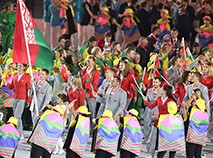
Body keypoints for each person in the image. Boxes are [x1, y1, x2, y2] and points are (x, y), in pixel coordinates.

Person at [5, 63, 31, 137]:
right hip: (14, 97)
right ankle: (15, 131)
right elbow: (11, 86)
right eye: (18, 65)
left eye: (20, 66)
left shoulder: (27, 77)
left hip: (22, 98)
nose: (18, 67)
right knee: (15, 114)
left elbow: (28, 89)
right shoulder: (15, 75)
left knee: (17, 115)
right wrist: (5, 82)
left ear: (24, 67)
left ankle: (20, 133)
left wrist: (28, 101)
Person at [144, 77, 161, 144]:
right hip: (149, 108)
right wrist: (145, 100)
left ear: (159, 83)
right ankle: (147, 137)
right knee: (147, 123)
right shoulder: (149, 90)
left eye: (156, 82)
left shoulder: (162, 90)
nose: (155, 83)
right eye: (154, 82)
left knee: (155, 125)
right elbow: (147, 100)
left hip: (157, 109)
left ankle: (154, 139)